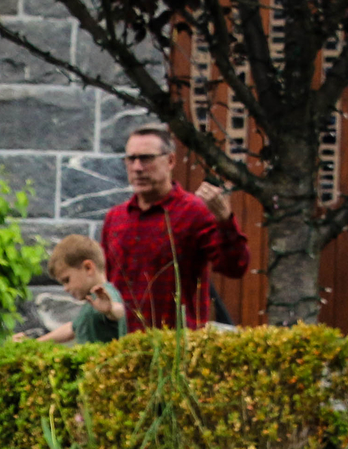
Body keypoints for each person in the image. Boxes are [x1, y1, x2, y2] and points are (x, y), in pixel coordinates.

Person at [101, 124, 247, 330]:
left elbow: (235, 267)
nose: (137, 167)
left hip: (176, 347)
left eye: (146, 158)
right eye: (131, 159)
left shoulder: (194, 213)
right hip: (122, 346)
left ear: (170, 161)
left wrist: (225, 221)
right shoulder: (115, 219)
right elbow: (107, 284)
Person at [17, 234, 128, 344]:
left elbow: (120, 311)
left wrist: (110, 309)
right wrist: (35, 343)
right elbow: (72, 328)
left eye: (67, 280)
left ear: (88, 268)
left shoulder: (104, 296)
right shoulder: (91, 302)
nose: (66, 288)